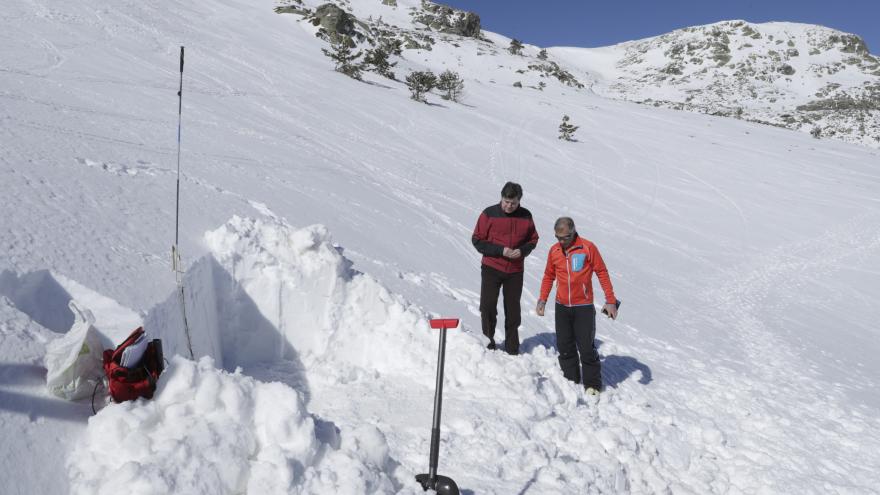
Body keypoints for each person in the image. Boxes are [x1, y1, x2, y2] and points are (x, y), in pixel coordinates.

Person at [536, 217, 618, 394]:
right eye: (558, 237)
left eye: (565, 237)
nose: (561, 241)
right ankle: (571, 379)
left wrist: (610, 300)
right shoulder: (554, 251)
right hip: (562, 306)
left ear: (573, 232)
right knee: (564, 345)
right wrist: (542, 299)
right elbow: (549, 276)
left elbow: (601, 272)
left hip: (583, 307)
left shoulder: (587, 247)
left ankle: (592, 385)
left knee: (586, 346)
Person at [471, 182, 539, 355]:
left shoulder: (526, 216)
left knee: (513, 309)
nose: (509, 206)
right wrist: (500, 250)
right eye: (506, 202)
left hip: (515, 271)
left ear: (519, 201)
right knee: (487, 306)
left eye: (513, 203)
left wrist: (522, 251)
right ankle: (488, 342)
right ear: (501, 198)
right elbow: (477, 240)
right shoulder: (489, 214)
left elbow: (533, 239)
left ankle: (512, 347)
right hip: (491, 268)